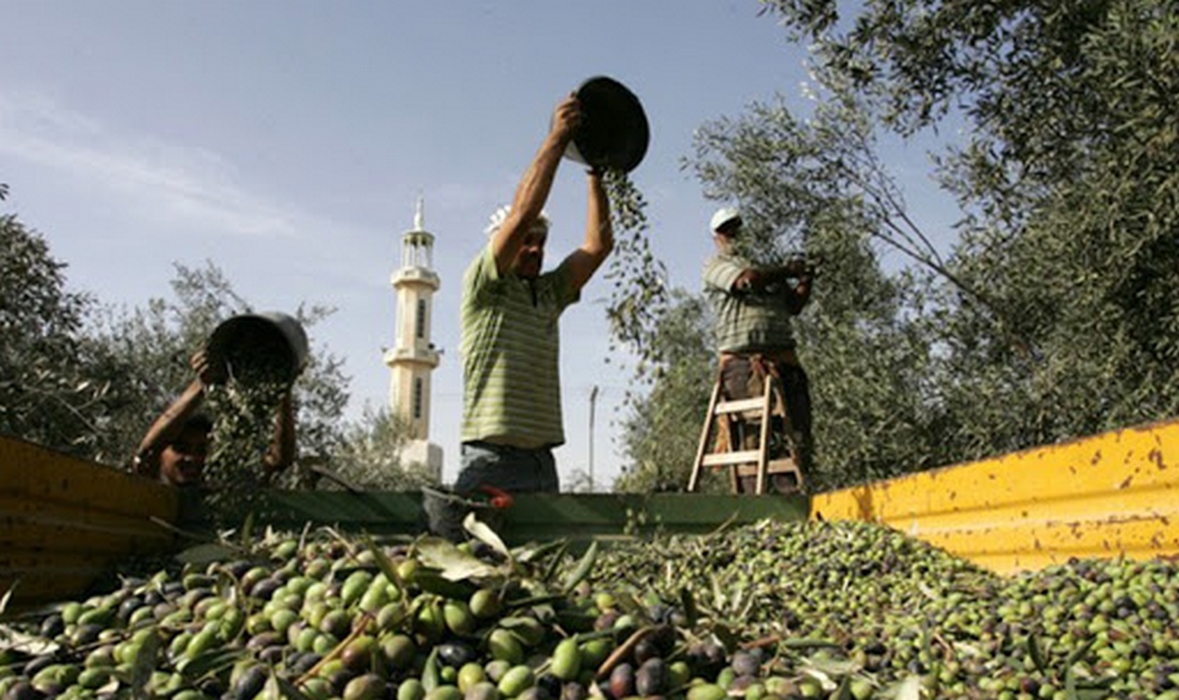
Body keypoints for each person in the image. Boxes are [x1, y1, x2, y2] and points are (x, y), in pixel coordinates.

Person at [454, 92, 614, 496]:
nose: (535, 249)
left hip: (541, 463)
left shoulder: (549, 293)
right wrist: (557, 140)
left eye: (541, 243)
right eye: (525, 242)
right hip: (489, 459)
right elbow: (522, 213)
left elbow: (597, 247)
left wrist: (595, 172)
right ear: (503, 243)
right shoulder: (485, 285)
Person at [702, 206, 814, 493]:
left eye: (737, 226)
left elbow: (794, 306)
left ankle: (795, 500)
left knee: (795, 439)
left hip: (784, 362)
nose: (734, 233)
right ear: (717, 237)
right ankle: (757, 505)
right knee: (752, 441)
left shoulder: (768, 271)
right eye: (728, 229)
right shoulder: (716, 265)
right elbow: (746, 281)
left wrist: (805, 279)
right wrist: (787, 270)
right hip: (743, 368)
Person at [131, 348, 296, 487]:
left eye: (201, 450)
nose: (192, 458)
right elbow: (149, 449)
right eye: (181, 448)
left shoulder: (217, 493)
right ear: (161, 455)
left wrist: (283, 389)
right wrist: (202, 383)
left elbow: (278, 460)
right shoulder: (148, 486)